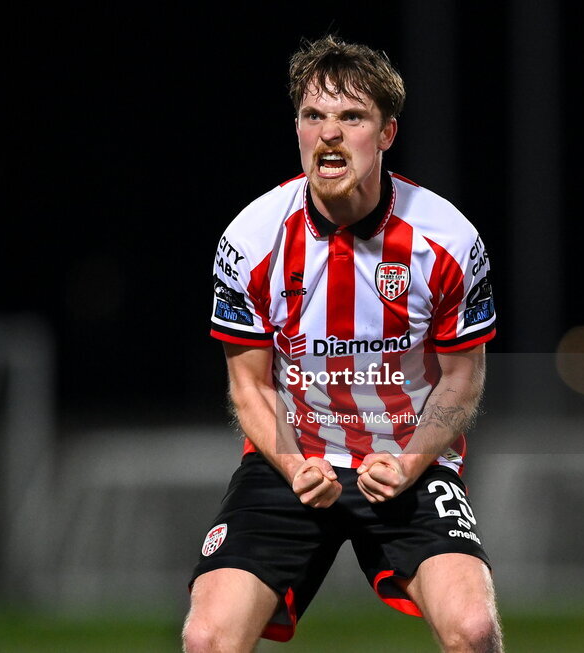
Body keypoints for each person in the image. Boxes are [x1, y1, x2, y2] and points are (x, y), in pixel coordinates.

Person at [184, 35, 502, 653]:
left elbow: (462, 380)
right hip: (293, 458)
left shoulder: (447, 239)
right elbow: (248, 385)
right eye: (313, 116)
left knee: (474, 629)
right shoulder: (251, 239)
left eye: (351, 116)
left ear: (386, 133)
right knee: (207, 638)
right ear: (298, 128)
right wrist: (294, 463)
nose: (329, 133)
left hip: (410, 458)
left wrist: (410, 462)